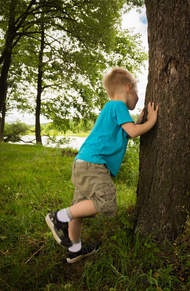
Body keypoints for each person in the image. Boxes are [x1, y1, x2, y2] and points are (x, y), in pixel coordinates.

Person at [45, 67, 159, 263]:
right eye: (138, 91)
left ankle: (75, 249)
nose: (139, 96)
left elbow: (123, 133)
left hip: (84, 163)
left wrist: (139, 121)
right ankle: (58, 217)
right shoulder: (118, 106)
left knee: (78, 209)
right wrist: (152, 121)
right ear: (128, 88)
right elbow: (132, 132)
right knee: (106, 203)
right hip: (93, 165)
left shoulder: (111, 108)